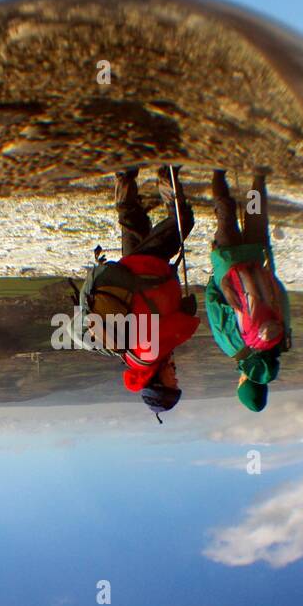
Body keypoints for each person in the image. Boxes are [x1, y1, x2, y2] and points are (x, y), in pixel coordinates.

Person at [78, 166, 200, 420]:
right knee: (133, 220)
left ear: (159, 382)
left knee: (182, 220)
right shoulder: (134, 360)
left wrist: (189, 318)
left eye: (173, 382)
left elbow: (179, 327)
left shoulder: (149, 356)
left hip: (147, 269)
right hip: (131, 275)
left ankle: (167, 174)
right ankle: (123, 174)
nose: (176, 377)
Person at [205, 168, 291, 413]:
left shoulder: (280, 342)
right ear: (243, 382)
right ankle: (218, 170)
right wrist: (215, 279)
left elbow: (282, 296)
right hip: (228, 264)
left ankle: (258, 174)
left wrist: (264, 277)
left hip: (256, 261)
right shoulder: (234, 349)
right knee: (225, 216)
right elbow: (213, 305)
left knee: (255, 216)